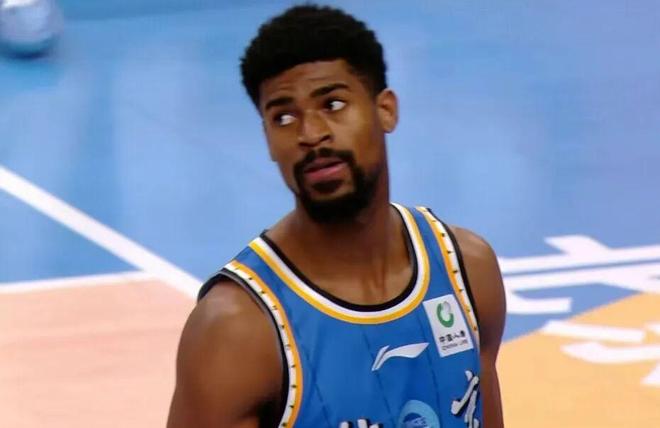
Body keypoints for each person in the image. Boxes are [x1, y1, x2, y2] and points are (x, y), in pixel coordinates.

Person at [167, 4, 506, 428]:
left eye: (333, 103)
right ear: (268, 140)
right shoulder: (236, 332)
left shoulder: (467, 271)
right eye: (283, 117)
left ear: (386, 110)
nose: (311, 134)